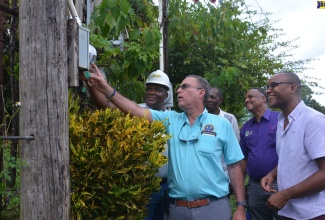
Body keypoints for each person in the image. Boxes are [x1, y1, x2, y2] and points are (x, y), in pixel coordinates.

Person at [86, 63, 246, 220]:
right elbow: (135, 111)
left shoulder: (222, 124)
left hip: (213, 209)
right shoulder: (170, 119)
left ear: (201, 92)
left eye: (185, 87)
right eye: (179, 87)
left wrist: (240, 206)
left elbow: (234, 165)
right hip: (178, 210)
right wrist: (106, 88)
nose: (178, 90)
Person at [83, 69, 173, 220]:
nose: (152, 92)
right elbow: (106, 105)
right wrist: (91, 83)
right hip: (142, 186)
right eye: (149, 88)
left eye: (158, 89)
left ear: (166, 95)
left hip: (167, 187)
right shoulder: (133, 111)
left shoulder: (171, 118)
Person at [260, 71, 325, 220]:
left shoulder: (313, 120)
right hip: (289, 212)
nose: (268, 90)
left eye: (273, 85)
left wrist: (284, 195)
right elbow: (293, 157)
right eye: (268, 86)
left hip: (313, 213)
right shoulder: (281, 120)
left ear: (292, 88)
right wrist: (272, 174)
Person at [240, 88, 282, 220]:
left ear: (263, 98)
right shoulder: (246, 128)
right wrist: (241, 188)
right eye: (245, 98)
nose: (247, 100)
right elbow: (244, 159)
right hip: (255, 186)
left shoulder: (280, 120)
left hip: (279, 184)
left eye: (251, 97)